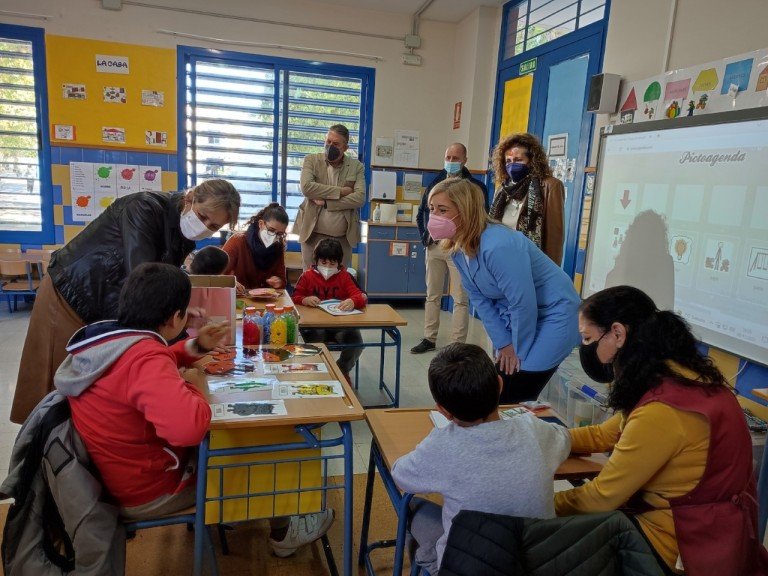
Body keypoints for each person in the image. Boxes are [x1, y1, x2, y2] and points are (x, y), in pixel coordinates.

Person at [555, 285, 768, 576]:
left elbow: (602, 497)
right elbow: (605, 434)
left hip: (681, 545)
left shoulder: (662, 410)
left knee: (548, 549)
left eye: (588, 338)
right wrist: (547, 438)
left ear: (618, 333)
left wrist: (541, 502)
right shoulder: (682, 377)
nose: (585, 347)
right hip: (722, 531)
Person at [11, 179, 241, 424]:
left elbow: (161, 282)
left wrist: (179, 315)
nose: (204, 227)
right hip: (72, 293)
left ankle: (85, 435)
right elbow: (144, 280)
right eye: (203, 216)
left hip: (109, 302)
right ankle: (47, 440)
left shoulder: (182, 232)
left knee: (95, 388)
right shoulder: (144, 208)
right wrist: (177, 326)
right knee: (58, 384)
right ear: (190, 198)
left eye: (213, 226)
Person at [55, 262, 227, 519]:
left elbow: (147, 367)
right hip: (148, 492)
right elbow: (188, 430)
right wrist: (195, 385)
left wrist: (197, 346)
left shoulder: (111, 338)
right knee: (234, 464)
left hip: (110, 479)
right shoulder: (145, 358)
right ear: (175, 318)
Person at [391, 343, 570, 575]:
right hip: (538, 564)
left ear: (443, 411)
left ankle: (429, 563)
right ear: (500, 385)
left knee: (411, 505)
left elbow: (400, 476)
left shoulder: (442, 444)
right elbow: (565, 438)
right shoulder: (533, 429)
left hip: (469, 567)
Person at [428, 177, 580, 403]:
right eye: (432, 209)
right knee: (501, 384)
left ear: (466, 211)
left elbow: (522, 302)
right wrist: (504, 343)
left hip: (554, 314)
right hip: (520, 315)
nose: (434, 216)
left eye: (443, 210)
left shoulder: (498, 244)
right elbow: (480, 301)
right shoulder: (457, 247)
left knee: (516, 386)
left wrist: (516, 349)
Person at [411, 143, 489, 355]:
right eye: (448, 157)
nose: (451, 162)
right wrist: (425, 236)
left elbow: (481, 217)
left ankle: (457, 343)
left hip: (459, 247)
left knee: (460, 298)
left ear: (465, 160)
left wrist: (469, 242)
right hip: (435, 246)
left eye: (456, 158)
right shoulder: (435, 182)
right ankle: (429, 338)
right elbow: (422, 212)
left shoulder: (475, 187)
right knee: (432, 295)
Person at [293, 238, 367, 382]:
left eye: (332, 263)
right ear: (317, 261)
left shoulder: (345, 276)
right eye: (323, 262)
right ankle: (318, 372)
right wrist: (304, 299)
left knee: (356, 343)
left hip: (341, 325)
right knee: (315, 342)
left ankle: (341, 371)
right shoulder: (307, 276)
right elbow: (295, 297)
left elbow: (361, 296)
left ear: (339, 263)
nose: (327, 267)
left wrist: (353, 301)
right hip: (314, 326)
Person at [295, 124, 365, 270]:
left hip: (343, 239)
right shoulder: (311, 160)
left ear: (345, 147)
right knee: (311, 278)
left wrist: (327, 203)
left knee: (339, 279)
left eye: (336, 144)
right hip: (312, 236)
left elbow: (359, 198)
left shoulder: (356, 166)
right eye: (328, 141)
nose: (330, 146)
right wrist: (341, 191)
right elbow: (306, 188)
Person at [489, 133, 565, 265]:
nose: (512, 165)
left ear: (532, 161)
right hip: (502, 259)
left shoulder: (550, 186)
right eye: (508, 161)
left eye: (518, 160)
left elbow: (554, 236)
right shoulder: (502, 190)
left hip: (532, 261)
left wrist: (551, 268)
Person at [222, 203, 289, 291]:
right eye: (271, 230)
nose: (274, 236)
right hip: (239, 295)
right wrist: (230, 282)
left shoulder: (278, 247)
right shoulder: (237, 241)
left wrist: (278, 282)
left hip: (266, 297)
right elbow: (218, 274)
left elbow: (282, 280)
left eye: (279, 234)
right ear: (261, 224)